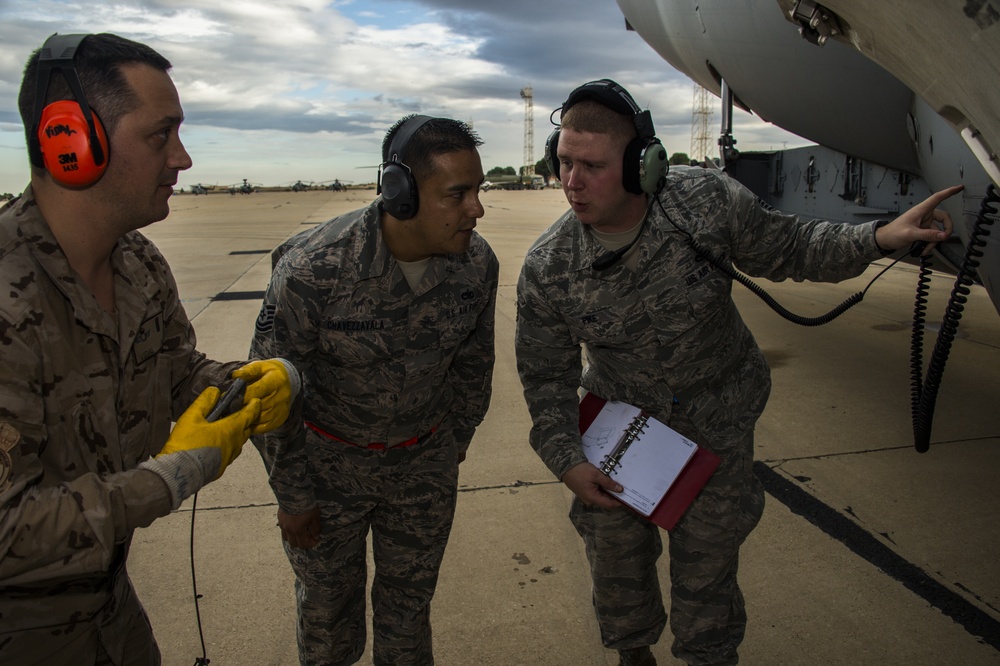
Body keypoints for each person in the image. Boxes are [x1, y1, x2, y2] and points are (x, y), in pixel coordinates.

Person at [514, 79, 961, 666]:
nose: (571, 182)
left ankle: (709, 655)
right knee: (615, 557)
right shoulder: (550, 265)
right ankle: (632, 653)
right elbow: (545, 378)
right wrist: (567, 460)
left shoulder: (703, 202)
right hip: (623, 429)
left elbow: (791, 246)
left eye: (592, 166)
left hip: (719, 416)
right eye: (564, 162)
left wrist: (879, 238)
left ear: (640, 165)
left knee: (710, 562)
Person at [0, 33, 300, 665]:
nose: (183, 159)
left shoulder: (137, 262)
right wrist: (170, 478)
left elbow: (171, 370)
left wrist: (248, 383)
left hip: (110, 610)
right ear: (72, 143)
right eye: (160, 135)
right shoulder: (6, 296)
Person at [250, 114, 498, 666]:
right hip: (326, 473)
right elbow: (269, 393)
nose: (476, 209)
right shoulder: (314, 269)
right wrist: (293, 496)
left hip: (423, 468)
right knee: (328, 620)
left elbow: (474, 367)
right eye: (458, 194)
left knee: (408, 616)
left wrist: (447, 450)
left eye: (477, 191)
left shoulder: (476, 265)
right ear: (400, 194)